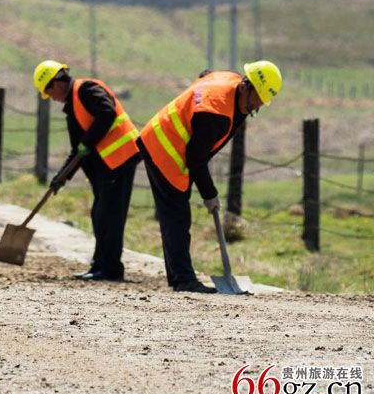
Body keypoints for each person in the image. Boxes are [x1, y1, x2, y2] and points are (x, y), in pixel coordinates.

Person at [137, 61, 282, 293]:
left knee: (174, 215)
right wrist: (210, 194)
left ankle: (177, 276)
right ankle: (184, 280)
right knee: (177, 217)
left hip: (166, 141)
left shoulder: (230, 81)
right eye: (256, 98)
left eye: (262, 101)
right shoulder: (215, 114)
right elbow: (196, 158)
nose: (258, 105)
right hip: (165, 148)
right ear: (246, 85)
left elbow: (205, 75)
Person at [34, 60, 140, 281]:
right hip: (107, 165)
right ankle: (100, 265)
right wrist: (61, 178)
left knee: (109, 215)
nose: (51, 97)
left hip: (120, 159)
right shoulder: (72, 105)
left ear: (58, 82)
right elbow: (77, 150)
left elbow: (107, 113)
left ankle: (110, 268)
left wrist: (87, 142)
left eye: (48, 91)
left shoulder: (87, 90)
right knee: (100, 214)